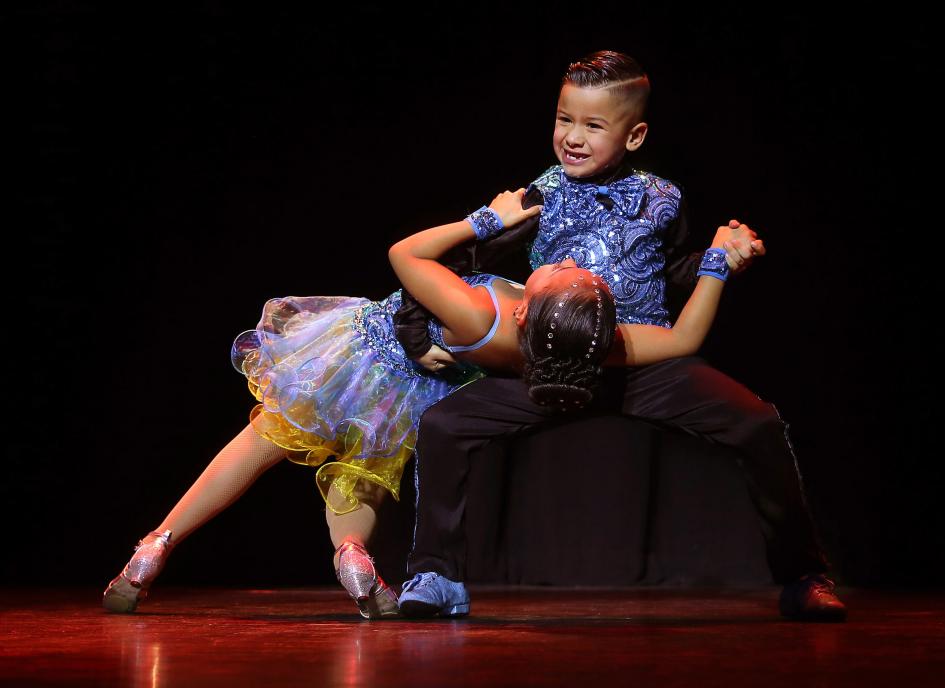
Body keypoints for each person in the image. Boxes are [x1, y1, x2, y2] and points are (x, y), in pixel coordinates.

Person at [102, 188, 739, 620]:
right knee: (363, 477)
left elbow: (404, 254)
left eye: (565, 274)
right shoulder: (575, 344)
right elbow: (683, 337)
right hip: (410, 393)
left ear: (527, 308)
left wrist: (485, 219)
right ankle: (352, 556)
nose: (572, 262)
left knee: (259, 441)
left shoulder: (483, 311)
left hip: (357, 359)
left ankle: (156, 544)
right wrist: (717, 263)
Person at [397, 51, 847, 622]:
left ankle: (805, 574)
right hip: (549, 367)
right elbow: (458, 268)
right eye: (565, 119)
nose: (573, 138)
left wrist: (723, 260)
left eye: (593, 125)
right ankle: (435, 573)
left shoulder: (663, 199)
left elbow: (675, 270)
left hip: (641, 357)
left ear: (634, 135)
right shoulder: (540, 196)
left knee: (756, 422)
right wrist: (413, 327)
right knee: (444, 425)